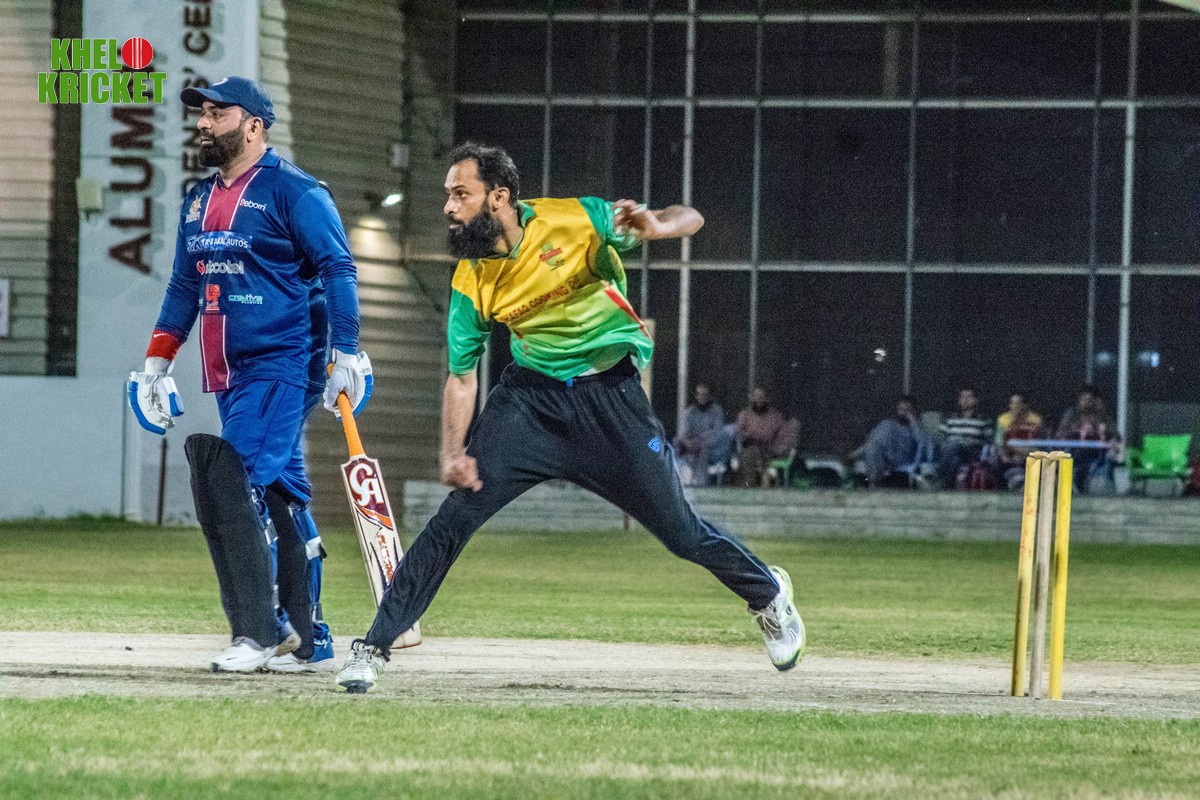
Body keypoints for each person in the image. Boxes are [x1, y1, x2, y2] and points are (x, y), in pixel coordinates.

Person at [334, 142, 803, 693]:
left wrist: (657, 226)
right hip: (530, 406)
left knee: (681, 533)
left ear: (499, 197)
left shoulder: (574, 219)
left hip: (611, 401)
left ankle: (768, 595)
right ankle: (372, 648)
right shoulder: (471, 276)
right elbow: (462, 377)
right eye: (448, 196)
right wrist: (452, 452)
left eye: (460, 194)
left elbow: (691, 218)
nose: (448, 207)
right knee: (454, 519)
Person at [126, 76, 373, 673]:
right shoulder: (198, 200)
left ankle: (260, 632)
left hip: (283, 363)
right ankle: (309, 639)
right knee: (283, 495)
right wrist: (157, 362)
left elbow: (338, 268)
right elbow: (184, 285)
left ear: (254, 125)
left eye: (218, 113)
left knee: (230, 484)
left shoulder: (295, 191)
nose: (203, 123)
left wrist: (346, 353)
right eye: (202, 114)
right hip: (230, 374)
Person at [1056, 384, 1120, 494]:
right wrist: (1076, 430)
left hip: (1097, 453)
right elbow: (1061, 434)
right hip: (1075, 451)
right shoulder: (1072, 414)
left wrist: (1100, 432)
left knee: (1106, 462)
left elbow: (1116, 436)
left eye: (1089, 399)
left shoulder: (1102, 416)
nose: (1086, 402)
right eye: (1083, 399)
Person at [733, 386, 799, 488]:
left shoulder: (775, 416)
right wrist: (749, 436)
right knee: (749, 456)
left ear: (767, 399)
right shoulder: (744, 415)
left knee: (764, 462)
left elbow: (784, 434)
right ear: (751, 398)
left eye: (761, 397)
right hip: (750, 447)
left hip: (768, 448)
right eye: (756, 397)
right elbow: (739, 433)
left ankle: (764, 488)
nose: (759, 400)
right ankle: (748, 488)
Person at [857, 394, 928, 488]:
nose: (904, 412)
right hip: (883, 456)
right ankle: (872, 481)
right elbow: (873, 441)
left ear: (913, 411)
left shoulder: (917, 427)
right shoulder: (888, 424)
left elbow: (923, 444)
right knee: (874, 444)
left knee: (874, 445)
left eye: (907, 410)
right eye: (901, 409)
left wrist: (913, 422)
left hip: (903, 459)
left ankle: (855, 460)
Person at [673, 382, 734, 486]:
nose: (702, 397)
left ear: (710, 396)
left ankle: (701, 484)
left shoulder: (716, 411)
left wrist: (700, 441)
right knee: (676, 445)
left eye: (705, 395)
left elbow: (717, 433)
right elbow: (685, 433)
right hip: (692, 447)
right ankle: (678, 484)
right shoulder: (689, 412)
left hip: (713, 449)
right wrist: (690, 443)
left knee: (704, 449)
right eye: (699, 394)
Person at [936, 385, 993, 489]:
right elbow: (941, 439)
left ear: (975, 400)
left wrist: (973, 443)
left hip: (971, 452)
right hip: (951, 453)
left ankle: (938, 475)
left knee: (955, 445)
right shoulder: (949, 418)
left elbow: (988, 441)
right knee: (955, 460)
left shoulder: (983, 419)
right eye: (962, 397)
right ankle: (946, 486)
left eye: (969, 397)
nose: (965, 400)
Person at [994, 391, 1046, 490]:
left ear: (1025, 405)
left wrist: (1023, 452)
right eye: (1012, 403)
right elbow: (999, 442)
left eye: (1018, 404)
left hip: (1028, 454)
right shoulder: (1003, 419)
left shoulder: (1035, 420)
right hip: (1009, 454)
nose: (1014, 407)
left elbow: (1037, 443)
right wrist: (1004, 456)